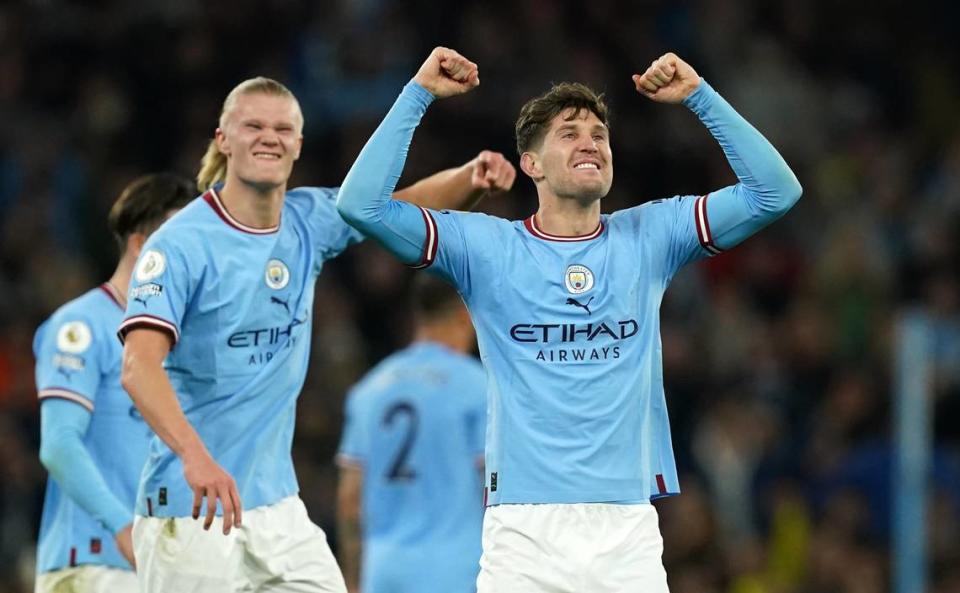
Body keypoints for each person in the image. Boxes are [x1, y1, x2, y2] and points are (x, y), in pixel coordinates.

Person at [336, 47, 803, 592]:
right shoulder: (486, 248)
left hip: (626, 529)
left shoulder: (651, 236)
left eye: (600, 135)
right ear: (531, 164)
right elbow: (361, 206)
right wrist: (418, 94)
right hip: (524, 532)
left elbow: (776, 191)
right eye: (569, 133)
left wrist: (699, 96)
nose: (590, 143)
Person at [117, 76, 514, 593]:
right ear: (222, 139)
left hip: (277, 509)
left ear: (299, 144)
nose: (269, 136)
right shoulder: (180, 245)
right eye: (253, 125)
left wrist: (470, 178)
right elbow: (137, 366)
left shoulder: (307, 220)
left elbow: (398, 204)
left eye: (283, 127)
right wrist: (196, 457)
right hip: (190, 508)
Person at [33, 173, 196, 593]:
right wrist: (124, 528)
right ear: (142, 245)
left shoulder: (179, 341)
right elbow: (59, 445)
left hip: (158, 567)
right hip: (91, 564)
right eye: (181, 244)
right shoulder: (81, 325)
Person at [336, 274, 486, 593]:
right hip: (455, 570)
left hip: (385, 571)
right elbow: (494, 484)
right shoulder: (478, 388)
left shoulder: (370, 388)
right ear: (465, 316)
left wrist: (354, 580)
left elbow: (350, 499)